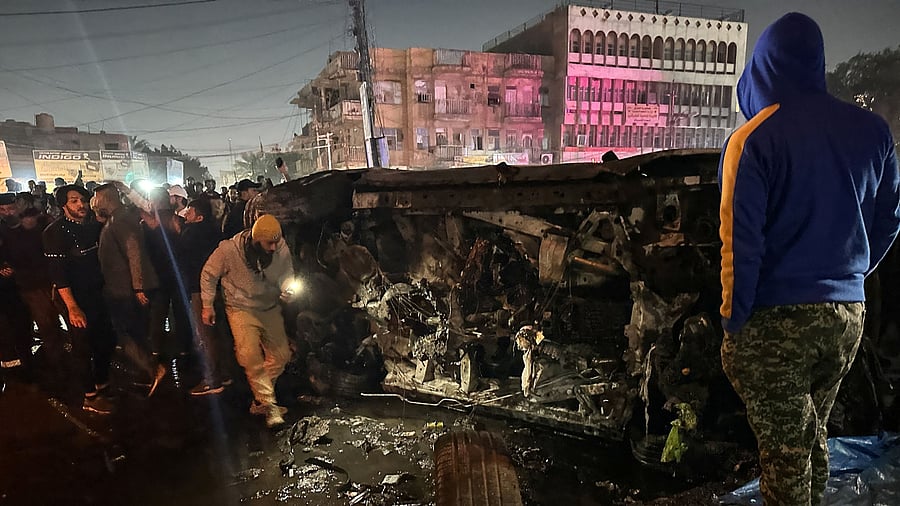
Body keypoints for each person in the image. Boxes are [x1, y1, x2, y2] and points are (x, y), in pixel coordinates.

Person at [718, 13, 900, 506]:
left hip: (776, 322)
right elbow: (889, 221)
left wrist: (735, 325)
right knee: (809, 437)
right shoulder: (873, 133)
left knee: (784, 459)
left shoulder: (753, 140)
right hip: (846, 320)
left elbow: (741, 243)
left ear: (763, 67)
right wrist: (852, 277)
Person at [200, 214, 294, 427]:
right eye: (268, 243)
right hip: (240, 308)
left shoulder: (280, 248)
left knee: (281, 356)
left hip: (268, 307)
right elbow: (208, 274)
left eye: (275, 242)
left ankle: (259, 399)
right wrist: (207, 305)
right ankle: (270, 408)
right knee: (250, 358)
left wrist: (288, 287)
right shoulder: (228, 251)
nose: (273, 247)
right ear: (255, 239)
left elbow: (287, 272)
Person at [43, 185, 118, 414]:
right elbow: (59, 275)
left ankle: (101, 383)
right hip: (74, 297)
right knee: (83, 346)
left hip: (98, 294)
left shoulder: (93, 226)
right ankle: (90, 396)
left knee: (106, 340)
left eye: (83, 200)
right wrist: (73, 308)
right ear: (63, 205)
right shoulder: (54, 233)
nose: (81, 205)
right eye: (74, 201)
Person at [93, 183, 165, 396]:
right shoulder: (118, 218)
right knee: (136, 332)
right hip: (123, 288)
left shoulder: (120, 220)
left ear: (106, 199)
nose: (93, 204)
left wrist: (138, 287)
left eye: (96, 199)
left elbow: (133, 253)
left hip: (125, 289)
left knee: (125, 335)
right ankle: (147, 373)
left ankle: (153, 369)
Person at [179, 198, 228, 395]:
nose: (186, 213)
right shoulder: (216, 231)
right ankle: (225, 373)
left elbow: (181, 256)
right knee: (219, 333)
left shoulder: (191, 234)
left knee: (205, 336)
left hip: (199, 289)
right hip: (217, 287)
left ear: (199, 216)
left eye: (189, 210)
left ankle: (212, 380)